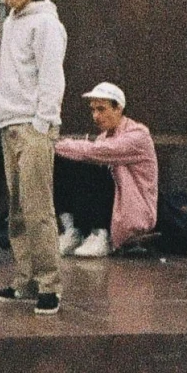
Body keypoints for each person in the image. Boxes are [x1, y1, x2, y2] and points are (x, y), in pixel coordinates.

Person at [0, 0, 68, 316]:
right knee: (17, 210)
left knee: (38, 209)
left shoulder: (46, 24)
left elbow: (52, 76)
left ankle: (50, 284)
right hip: (10, 124)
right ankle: (26, 280)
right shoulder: (12, 23)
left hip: (33, 126)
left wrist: (43, 122)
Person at [54, 84, 158, 256]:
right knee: (66, 161)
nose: (96, 116)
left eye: (101, 109)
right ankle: (72, 230)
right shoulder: (104, 137)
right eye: (93, 110)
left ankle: (99, 233)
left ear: (119, 108)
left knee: (90, 163)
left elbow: (100, 152)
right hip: (113, 205)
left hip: (133, 210)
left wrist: (53, 144)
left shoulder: (139, 135)